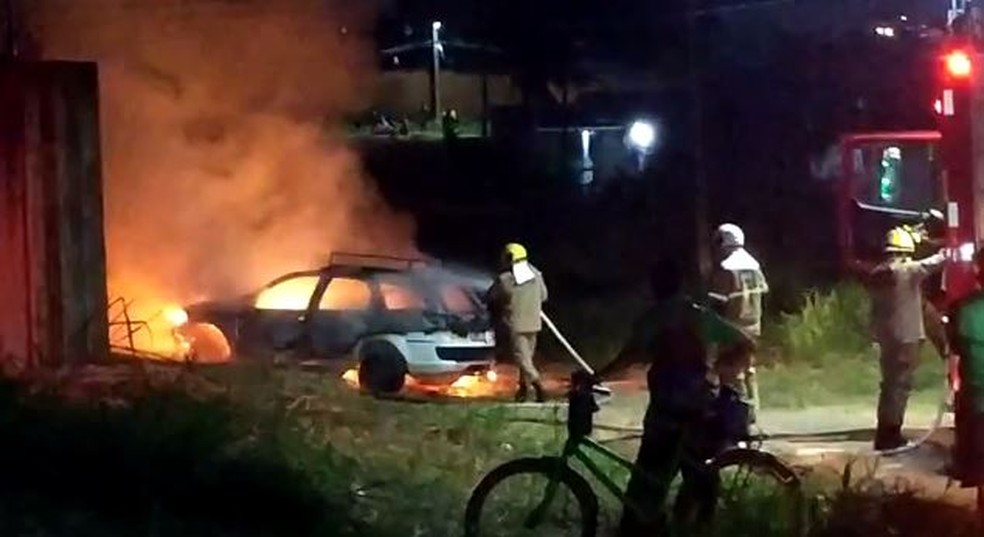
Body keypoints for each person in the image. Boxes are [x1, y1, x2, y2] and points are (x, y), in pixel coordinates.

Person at [596, 258, 754, 535]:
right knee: (698, 473)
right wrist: (719, 370)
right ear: (680, 284)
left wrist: (595, 378)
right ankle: (697, 522)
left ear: (655, 287)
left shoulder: (654, 318)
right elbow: (745, 342)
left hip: (667, 411)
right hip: (701, 405)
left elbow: (629, 356)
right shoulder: (698, 314)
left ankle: (642, 527)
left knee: (648, 480)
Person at [856, 226, 946, 451]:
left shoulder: (879, 273)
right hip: (907, 337)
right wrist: (949, 243)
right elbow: (937, 261)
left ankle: (884, 433)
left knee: (888, 385)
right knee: (900, 386)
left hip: (886, 337)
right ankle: (891, 435)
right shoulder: (908, 270)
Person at [708, 223, 769, 417]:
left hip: (731, 330)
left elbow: (716, 303)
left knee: (730, 377)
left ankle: (736, 421)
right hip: (753, 329)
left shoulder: (726, 269)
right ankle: (752, 416)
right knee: (749, 372)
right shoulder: (754, 266)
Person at [945, 248, 984, 524]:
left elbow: (954, 364)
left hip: (976, 401)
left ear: (976, 270)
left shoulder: (961, 308)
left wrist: (955, 387)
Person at [486, 243, 549, 402]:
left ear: (509, 258)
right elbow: (544, 296)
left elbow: (492, 296)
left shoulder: (505, 279)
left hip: (517, 325)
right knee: (527, 359)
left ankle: (539, 386)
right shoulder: (536, 274)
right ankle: (523, 390)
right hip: (534, 323)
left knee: (524, 360)